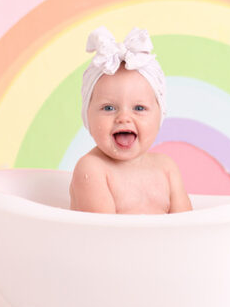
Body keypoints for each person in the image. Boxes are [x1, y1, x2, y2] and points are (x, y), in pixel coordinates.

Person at [70, 27, 192, 214]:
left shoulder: (166, 169)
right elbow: (103, 237)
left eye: (139, 108)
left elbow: (188, 228)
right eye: (109, 108)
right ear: (87, 115)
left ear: (160, 114)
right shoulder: (93, 169)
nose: (124, 118)